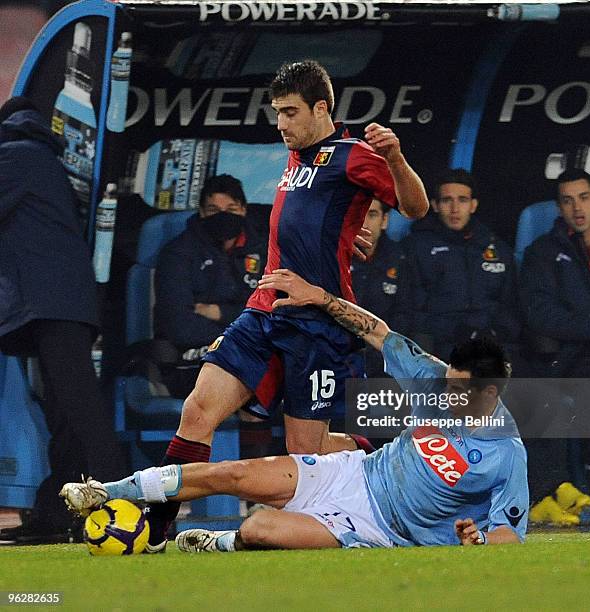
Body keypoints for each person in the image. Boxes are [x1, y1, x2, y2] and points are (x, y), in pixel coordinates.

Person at [140, 60, 429, 551]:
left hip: (317, 325)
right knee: (197, 410)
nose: (281, 124)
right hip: (264, 310)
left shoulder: (353, 154)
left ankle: (376, 460)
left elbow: (416, 208)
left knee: (304, 457)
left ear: (321, 108)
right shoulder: (296, 154)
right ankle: (153, 531)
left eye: (291, 112)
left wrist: (397, 160)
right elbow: (305, 220)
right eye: (277, 112)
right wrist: (339, 238)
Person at [61, 268, 529, 549]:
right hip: (352, 474)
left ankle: (220, 544)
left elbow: (512, 531)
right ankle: (105, 491)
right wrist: (320, 297)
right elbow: (376, 330)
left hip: (374, 526)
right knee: (234, 474)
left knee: (260, 528)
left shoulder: (506, 454)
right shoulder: (434, 376)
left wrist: (481, 540)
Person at [0, 96, 125, 544]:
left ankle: (125, 506)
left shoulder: (17, 157)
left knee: (80, 412)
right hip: (58, 305)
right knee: (65, 414)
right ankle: (57, 514)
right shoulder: (41, 157)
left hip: (51, 305)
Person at [520, 168, 590, 514]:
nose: (577, 208)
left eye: (583, 197)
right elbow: (542, 316)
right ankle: (557, 488)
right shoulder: (543, 252)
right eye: (567, 200)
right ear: (558, 208)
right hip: (571, 360)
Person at [153, 174, 268, 398]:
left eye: (231, 209)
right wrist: (243, 335)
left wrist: (218, 311)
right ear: (202, 212)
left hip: (256, 352)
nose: (223, 216)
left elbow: (274, 312)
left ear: (244, 210)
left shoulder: (265, 251)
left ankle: (352, 430)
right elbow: (180, 325)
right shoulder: (178, 253)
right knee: (248, 387)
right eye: (214, 210)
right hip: (196, 357)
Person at [399, 169, 520, 362]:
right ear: (435, 205)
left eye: (462, 200)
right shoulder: (416, 247)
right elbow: (411, 310)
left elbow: (511, 305)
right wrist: (456, 331)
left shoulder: (497, 248)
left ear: (473, 205)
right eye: (447, 200)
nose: (455, 208)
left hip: (494, 345)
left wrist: (498, 333)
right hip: (442, 347)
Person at [351, 199, 410, 377]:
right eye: (359, 215)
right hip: (341, 357)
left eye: (372, 214)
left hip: (385, 358)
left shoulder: (401, 259)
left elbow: (405, 313)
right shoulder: (333, 256)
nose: (364, 223)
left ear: (384, 221)